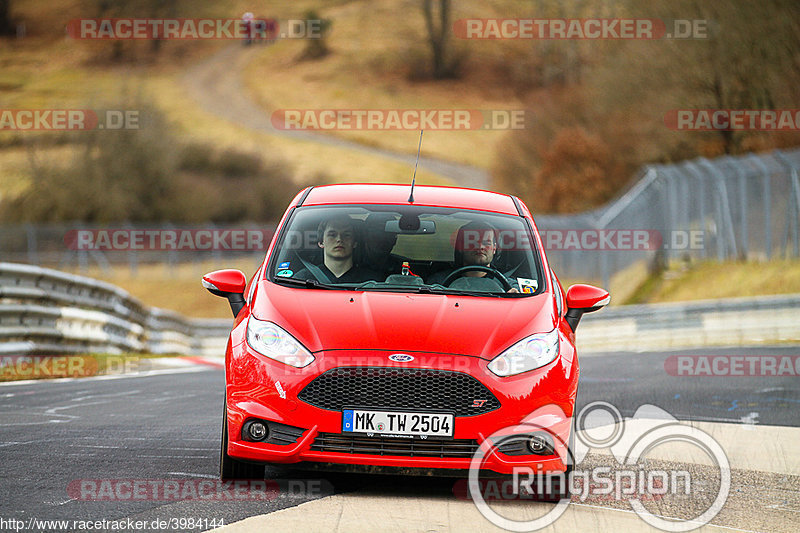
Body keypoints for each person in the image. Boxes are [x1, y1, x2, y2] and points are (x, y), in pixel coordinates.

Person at [427, 221, 519, 292]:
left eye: (486, 243)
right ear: (461, 247)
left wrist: (515, 298)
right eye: (473, 243)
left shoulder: (509, 287)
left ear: (494, 248)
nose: (480, 247)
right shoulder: (438, 284)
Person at [294, 215, 381, 284]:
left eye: (346, 235)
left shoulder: (372, 282)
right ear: (321, 242)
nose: (339, 239)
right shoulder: (302, 280)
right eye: (332, 235)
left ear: (355, 243)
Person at [362, 213, 402, 279]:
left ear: (395, 240)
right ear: (365, 236)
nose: (383, 240)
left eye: (389, 235)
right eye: (378, 234)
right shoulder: (347, 266)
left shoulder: (402, 269)